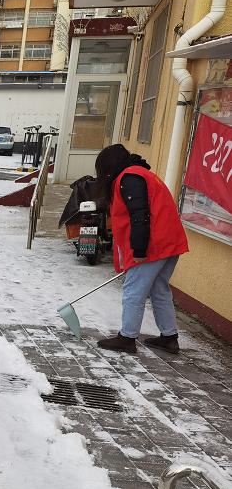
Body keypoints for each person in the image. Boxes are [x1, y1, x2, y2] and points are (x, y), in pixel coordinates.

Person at [94, 144, 189, 354]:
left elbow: (140, 215)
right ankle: (169, 337)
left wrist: (139, 250)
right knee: (159, 289)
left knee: (133, 291)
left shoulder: (129, 178)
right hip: (169, 242)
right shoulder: (140, 174)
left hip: (153, 245)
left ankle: (127, 338)